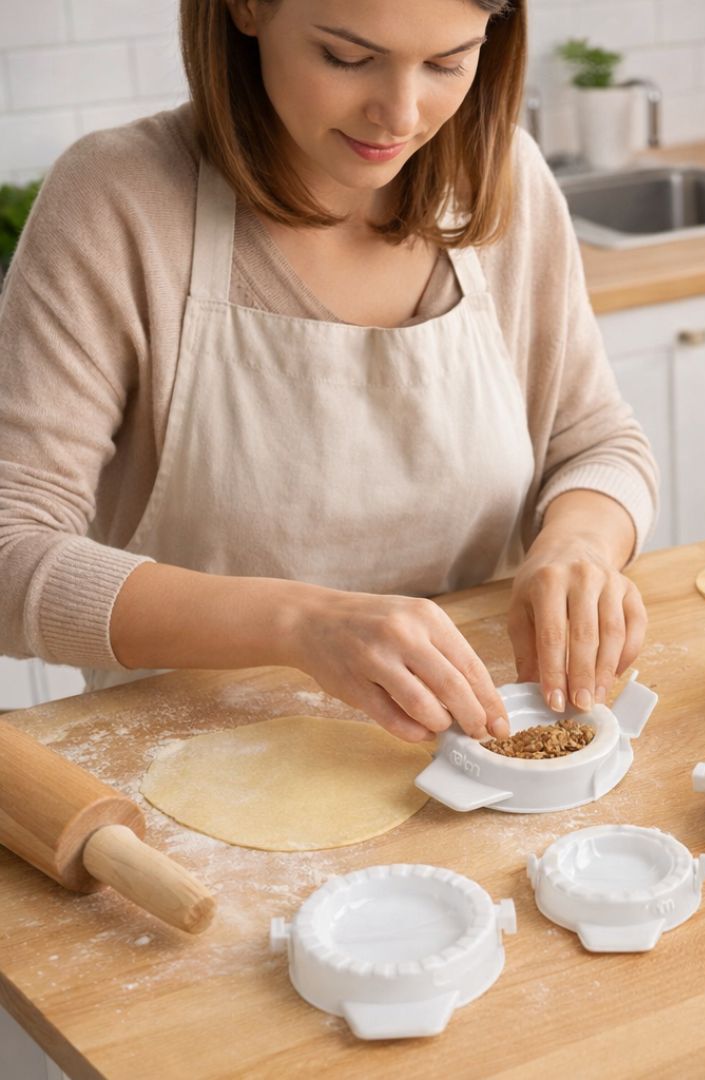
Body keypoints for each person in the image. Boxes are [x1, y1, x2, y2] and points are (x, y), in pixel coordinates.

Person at [0, 0, 658, 745]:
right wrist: (302, 624)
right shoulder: (119, 199)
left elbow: (599, 442)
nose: (400, 115)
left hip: (481, 755)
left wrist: (579, 545)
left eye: (448, 62)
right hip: (192, 770)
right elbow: (11, 551)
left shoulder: (503, 178)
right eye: (348, 58)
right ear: (247, 9)